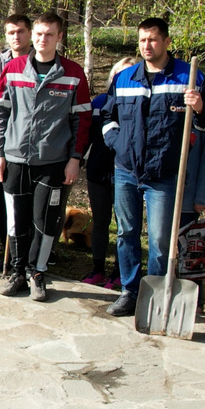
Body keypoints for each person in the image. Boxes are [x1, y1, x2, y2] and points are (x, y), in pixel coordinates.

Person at [100, 17, 205, 317]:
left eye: (153, 39)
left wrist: (199, 107)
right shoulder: (125, 78)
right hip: (127, 170)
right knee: (126, 233)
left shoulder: (189, 77)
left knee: (160, 241)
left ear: (166, 41)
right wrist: (117, 142)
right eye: (142, 40)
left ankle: (153, 296)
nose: (147, 45)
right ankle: (129, 291)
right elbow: (107, 116)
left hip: (164, 174)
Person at [0, 11, 92, 302]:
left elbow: (82, 121)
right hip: (15, 159)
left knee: (45, 221)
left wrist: (75, 158)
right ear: (32, 35)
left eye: (49, 34)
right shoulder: (13, 68)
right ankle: (17, 272)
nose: (42, 39)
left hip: (53, 162)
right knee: (16, 220)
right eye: (38, 34)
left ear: (59, 37)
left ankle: (38, 273)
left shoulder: (73, 73)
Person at [81, 57, 139, 289]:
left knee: (125, 226)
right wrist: (75, 159)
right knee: (100, 222)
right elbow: (86, 135)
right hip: (98, 172)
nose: (121, 77)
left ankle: (120, 272)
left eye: (128, 73)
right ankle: (98, 269)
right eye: (118, 73)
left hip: (126, 173)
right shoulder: (99, 102)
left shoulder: (137, 103)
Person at [0, 14, 33, 267]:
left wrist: (1, 86)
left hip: (31, 141)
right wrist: (8, 84)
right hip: (2, 140)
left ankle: (32, 256)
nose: (16, 36)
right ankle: (9, 252)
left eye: (21, 31)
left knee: (31, 201)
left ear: (29, 33)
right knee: (4, 198)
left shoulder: (40, 60)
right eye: (11, 32)